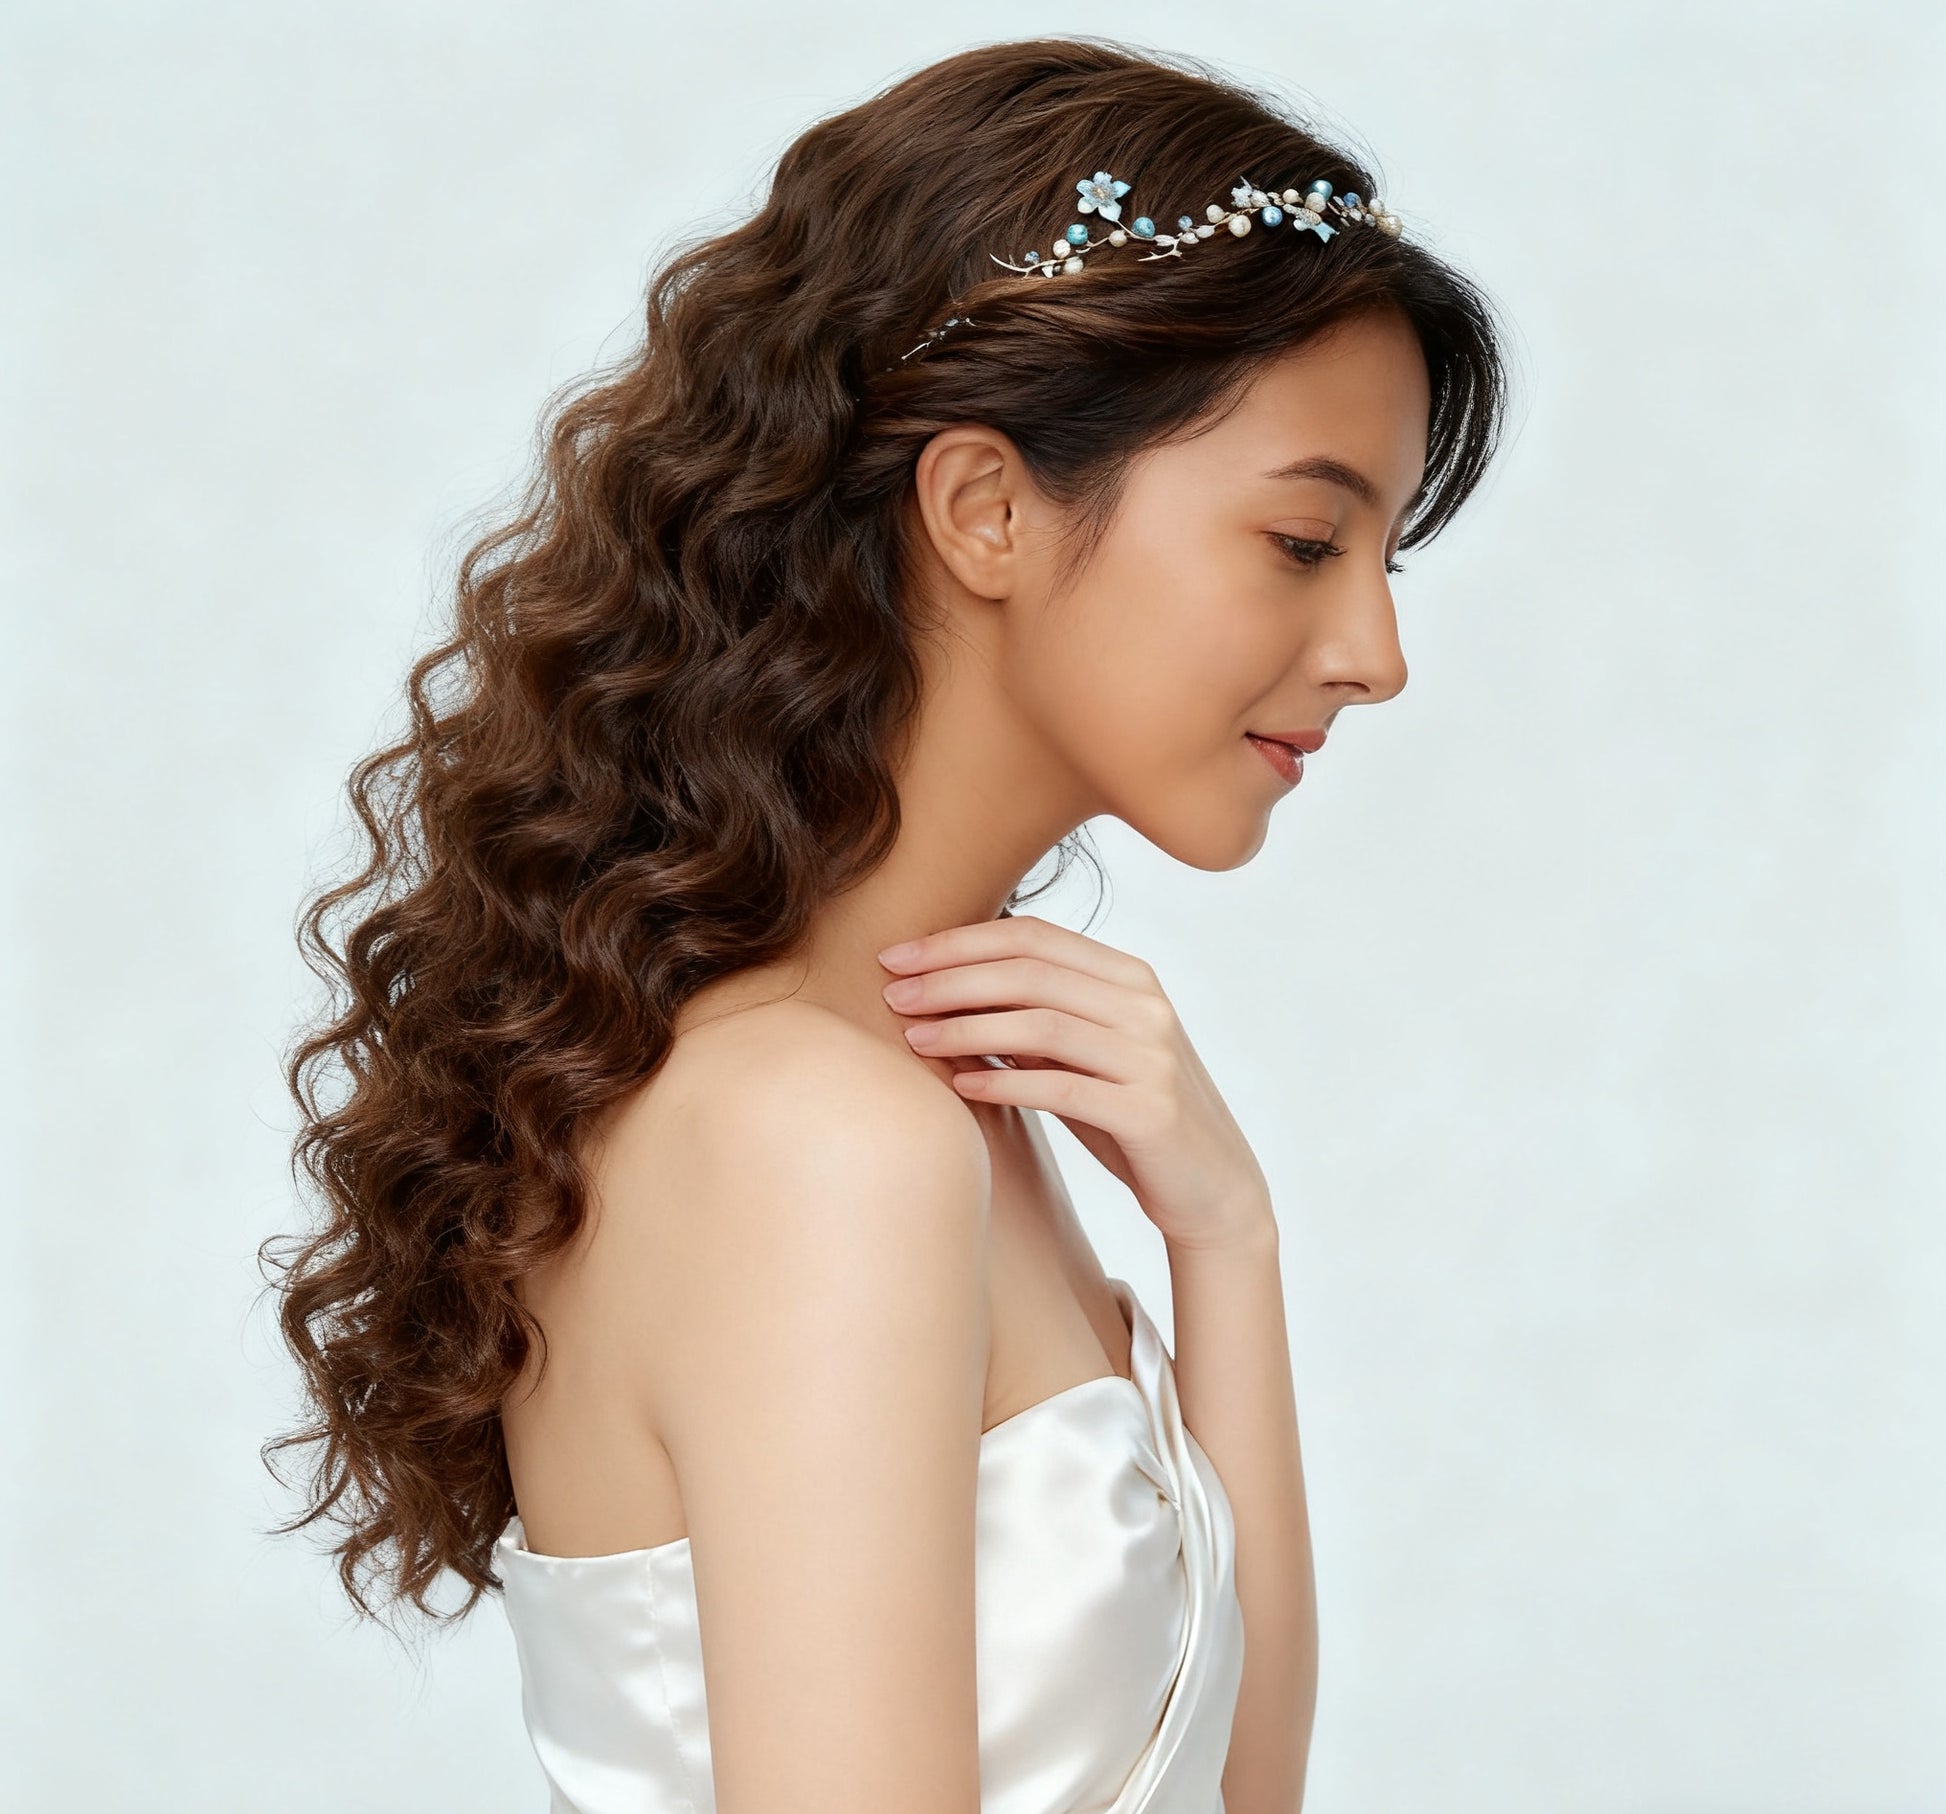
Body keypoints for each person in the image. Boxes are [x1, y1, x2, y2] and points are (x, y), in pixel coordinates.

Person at [260, 34, 1509, 1814]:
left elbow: (1235, 1789)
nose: (1375, 655)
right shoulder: (822, 1136)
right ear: (985, 509)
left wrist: (1224, 1238)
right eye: (1306, 542)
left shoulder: (931, 1082)